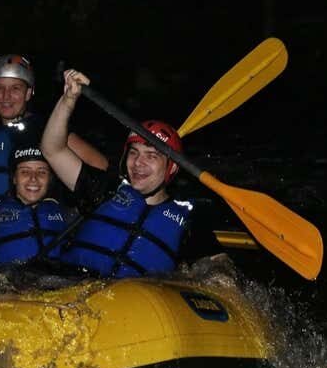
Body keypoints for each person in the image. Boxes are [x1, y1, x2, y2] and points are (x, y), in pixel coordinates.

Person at [41, 69, 220, 278]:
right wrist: (68, 100)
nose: (138, 163)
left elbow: (221, 272)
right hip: (67, 286)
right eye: (134, 152)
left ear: (171, 168)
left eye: (151, 156)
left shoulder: (188, 220)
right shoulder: (105, 189)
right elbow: (52, 149)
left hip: (131, 297)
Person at [0, 54, 108, 208]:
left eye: (15, 88)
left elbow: (99, 165)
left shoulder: (46, 128)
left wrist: (73, 209)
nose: (6, 96)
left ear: (28, 93)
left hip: (37, 220)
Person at [0, 144, 71, 269]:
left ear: (50, 179)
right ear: (14, 178)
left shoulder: (67, 216)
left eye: (42, 172)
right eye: (25, 171)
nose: (33, 178)